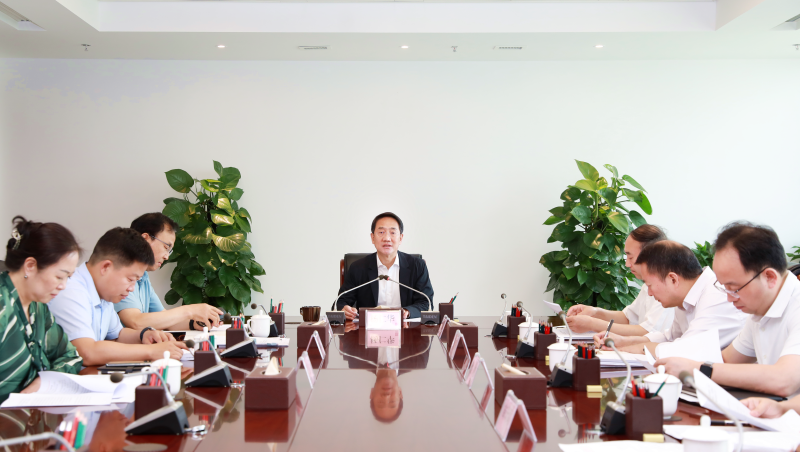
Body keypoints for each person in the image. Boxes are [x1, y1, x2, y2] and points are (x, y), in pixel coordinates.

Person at [656, 223, 800, 398]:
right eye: (724, 288)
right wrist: (677, 363)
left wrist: (697, 369)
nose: (730, 298)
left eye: (734, 288)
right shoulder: (759, 311)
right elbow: (727, 359)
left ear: (769, 277)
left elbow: (784, 380)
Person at [48, 227, 187, 366]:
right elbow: (86, 352)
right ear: (106, 267)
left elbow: (117, 335)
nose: (131, 288)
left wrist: (144, 335)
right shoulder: (71, 291)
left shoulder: (104, 292)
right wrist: (151, 351)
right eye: (130, 279)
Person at [595, 240, 747, 355]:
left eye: (650, 285)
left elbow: (684, 350)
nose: (649, 293)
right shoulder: (686, 296)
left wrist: (627, 348)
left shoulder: (716, 297)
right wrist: (624, 341)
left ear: (673, 279)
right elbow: (670, 337)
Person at [0, 216, 83, 402]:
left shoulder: (38, 308)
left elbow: (71, 356)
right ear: (30, 266)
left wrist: (43, 383)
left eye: (68, 277)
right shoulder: (3, 308)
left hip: (28, 413)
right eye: (59, 277)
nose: (63, 286)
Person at [114, 213, 223, 331]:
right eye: (166, 247)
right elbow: (136, 322)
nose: (166, 257)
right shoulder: (120, 272)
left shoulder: (143, 276)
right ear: (145, 239)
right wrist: (190, 311)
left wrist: (194, 324)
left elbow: (164, 320)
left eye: (170, 251)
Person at [566, 224, 674, 336]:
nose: (627, 264)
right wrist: (595, 312)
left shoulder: (667, 287)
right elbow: (628, 318)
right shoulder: (648, 284)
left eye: (631, 257)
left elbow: (648, 333)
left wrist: (592, 324)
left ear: (651, 256)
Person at [337, 212, 433, 320]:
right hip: (369, 327)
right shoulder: (358, 268)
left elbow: (426, 302)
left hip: (406, 327)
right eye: (381, 232)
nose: (387, 238)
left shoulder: (417, 266)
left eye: (393, 232)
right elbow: (341, 302)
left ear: (401, 238)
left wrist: (407, 312)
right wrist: (344, 309)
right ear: (372, 238)